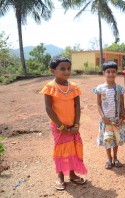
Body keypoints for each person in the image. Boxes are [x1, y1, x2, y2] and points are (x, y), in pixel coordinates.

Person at [40, 56, 87, 190]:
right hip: (58, 127)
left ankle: (72, 174)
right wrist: (60, 126)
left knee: (73, 149)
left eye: (68, 68)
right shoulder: (50, 87)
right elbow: (48, 108)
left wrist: (76, 125)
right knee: (61, 151)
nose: (66, 71)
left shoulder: (74, 87)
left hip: (73, 126)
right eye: (62, 69)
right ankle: (60, 177)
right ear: (53, 71)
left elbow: (77, 106)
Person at [93, 61, 125, 169]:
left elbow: (122, 105)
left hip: (117, 120)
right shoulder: (100, 88)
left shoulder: (119, 89)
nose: (111, 74)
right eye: (108, 71)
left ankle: (116, 158)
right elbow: (98, 104)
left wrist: (121, 118)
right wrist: (103, 117)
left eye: (113, 71)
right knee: (108, 140)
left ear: (116, 73)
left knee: (116, 140)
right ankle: (109, 159)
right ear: (104, 73)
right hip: (106, 121)